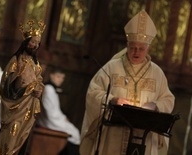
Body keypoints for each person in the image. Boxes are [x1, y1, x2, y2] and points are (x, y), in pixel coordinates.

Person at [80, 10, 175, 155]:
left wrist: (156, 106)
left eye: (141, 49)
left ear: (148, 48)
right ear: (127, 45)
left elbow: (168, 99)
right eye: (132, 48)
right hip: (114, 135)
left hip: (145, 135)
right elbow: (93, 92)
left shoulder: (157, 73)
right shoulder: (112, 67)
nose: (136, 52)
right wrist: (113, 99)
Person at [0, 20, 46, 155]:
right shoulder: (16, 61)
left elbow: (39, 80)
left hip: (29, 106)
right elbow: (7, 83)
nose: (35, 45)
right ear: (26, 42)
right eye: (33, 42)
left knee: (23, 137)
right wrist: (24, 87)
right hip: (16, 105)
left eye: (37, 43)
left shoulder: (35, 64)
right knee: (12, 134)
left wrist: (39, 89)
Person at [37, 68, 80, 155]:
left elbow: (54, 110)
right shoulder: (49, 89)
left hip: (53, 119)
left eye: (62, 78)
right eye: (58, 77)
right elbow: (51, 113)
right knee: (75, 133)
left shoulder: (51, 88)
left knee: (74, 133)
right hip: (48, 121)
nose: (60, 80)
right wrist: (63, 118)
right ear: (51, 75)